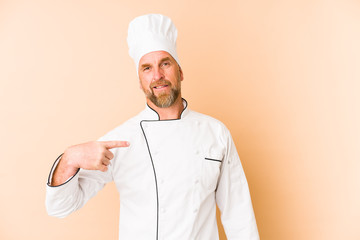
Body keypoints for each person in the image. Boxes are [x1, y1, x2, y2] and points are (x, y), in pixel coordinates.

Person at [46, 14, 260, 240]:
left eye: (165, 64)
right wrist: (68, 159)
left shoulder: (216, 133)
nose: (158, 75)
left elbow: (239, 216)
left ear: (180, 72)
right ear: (140, 82)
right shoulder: (121, 140)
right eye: (147, 68)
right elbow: (59, 207)